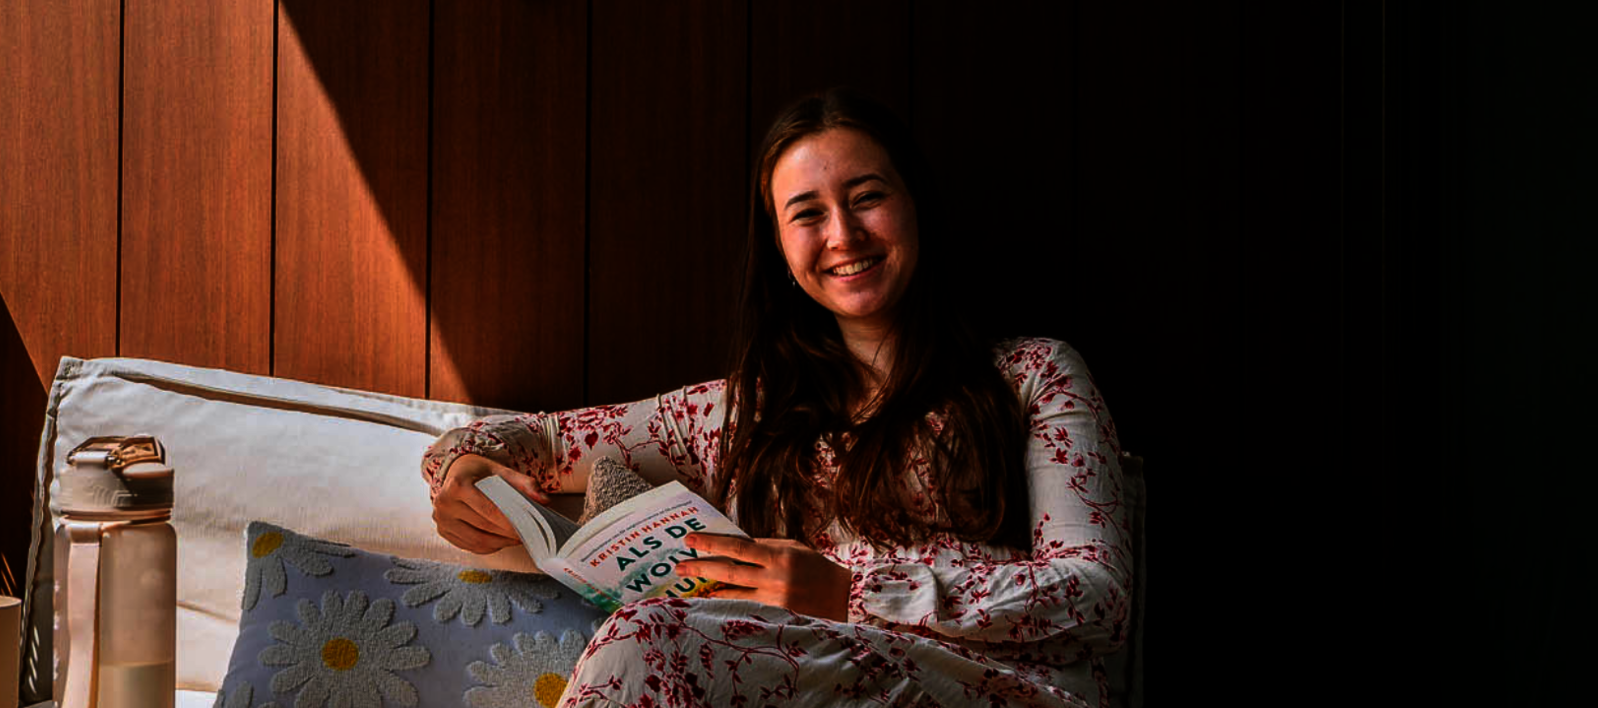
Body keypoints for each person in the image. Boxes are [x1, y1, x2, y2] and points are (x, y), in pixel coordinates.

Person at [421, 88, 1133, 707]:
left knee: (650, 639)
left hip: (1003, 688)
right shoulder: (739, 414)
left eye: (868, 198)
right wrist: (465, 471)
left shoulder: (1035, 375)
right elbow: (538, 442)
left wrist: (851, 592)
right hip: (806, 683)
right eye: (807, 214)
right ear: (782, 252)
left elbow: (1098, 594)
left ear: (915, 205)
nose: (843, 235)